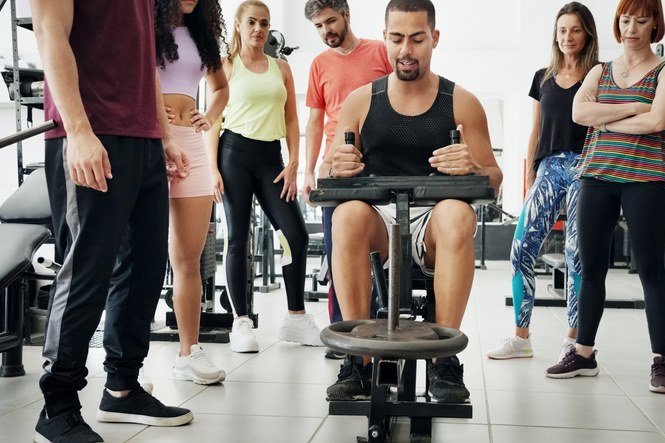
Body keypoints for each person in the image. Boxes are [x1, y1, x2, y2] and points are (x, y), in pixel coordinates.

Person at [322, 0, 502, 403]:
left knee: (458, 212)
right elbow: (329, 165)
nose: (406, 49)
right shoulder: (360, 100)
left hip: (435, 223)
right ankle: (357, 361)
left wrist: (473, 165)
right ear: (385, 38)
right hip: (379, 219)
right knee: (347, 215)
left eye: (417, 39)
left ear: (434, 39)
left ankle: (444, 361)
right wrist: (339, 162)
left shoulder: (462, 102)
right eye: (397, 38)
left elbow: (494, 177)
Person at [30, 0, 194, 441]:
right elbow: (50, 34)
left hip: (142, 136)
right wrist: (79, 131)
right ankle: (58, 404)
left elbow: (143, 62)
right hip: (90, 133)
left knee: (143, 270)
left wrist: (163, 134)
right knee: (87, 271)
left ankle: (122, 388)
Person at [546, 0, 665, 395]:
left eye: (641, 20)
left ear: (655, 25)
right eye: (626, 20)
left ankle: (661, 359)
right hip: (596, 176)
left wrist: (607, 115)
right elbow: (579, 114)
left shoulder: (663, 70)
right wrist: (632, 107)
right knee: (591, 267)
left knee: (651, 269)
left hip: (646, 179)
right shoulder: (600, 70)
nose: (631, 28)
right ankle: (583, 352)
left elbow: (659, 121)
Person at [208, 0, 322, 353]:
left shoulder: (281, 68)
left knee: (295, 234)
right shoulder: (226, 65)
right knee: (238, 238)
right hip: (234, 154)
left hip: (272, 158)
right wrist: (211, 167)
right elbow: (212, 118)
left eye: (264, 23)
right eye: (252, 23)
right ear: (240, 27)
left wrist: (294, 163)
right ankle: (240, 322)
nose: (259, 29)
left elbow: (291, 119)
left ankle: (296, 318)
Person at [487, 2, 599, 362]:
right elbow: (536, 130)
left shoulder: (599, 74)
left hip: (586, 166)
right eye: (562, 30)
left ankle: (573, 337)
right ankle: (521, 337)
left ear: (587, 34)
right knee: (521, 248)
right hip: (548, 168)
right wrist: (531, 175)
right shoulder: (543, 76)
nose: (568, 37)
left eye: (575, 30)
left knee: (576, 253)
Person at [303, 0, 393, 333]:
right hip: (336, 171)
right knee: (338, 250)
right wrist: (308, 172)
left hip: (379, 166)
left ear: (346, 16)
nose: (325, 31)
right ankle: (342, 330)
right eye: (318, 26)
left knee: (374, 251)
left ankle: (375, 323)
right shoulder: (318, 65)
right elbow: (314, 121)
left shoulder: (381, 52)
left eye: (329, 22)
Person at [155, 0, 229, 385]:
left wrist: (209, 116)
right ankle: (128, 361)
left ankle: (188, 352)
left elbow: (219, 88)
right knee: (138, 256)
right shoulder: (148, 27)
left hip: (193, 146)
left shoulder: (202, 35)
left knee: (189, 257)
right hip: (152, 141)